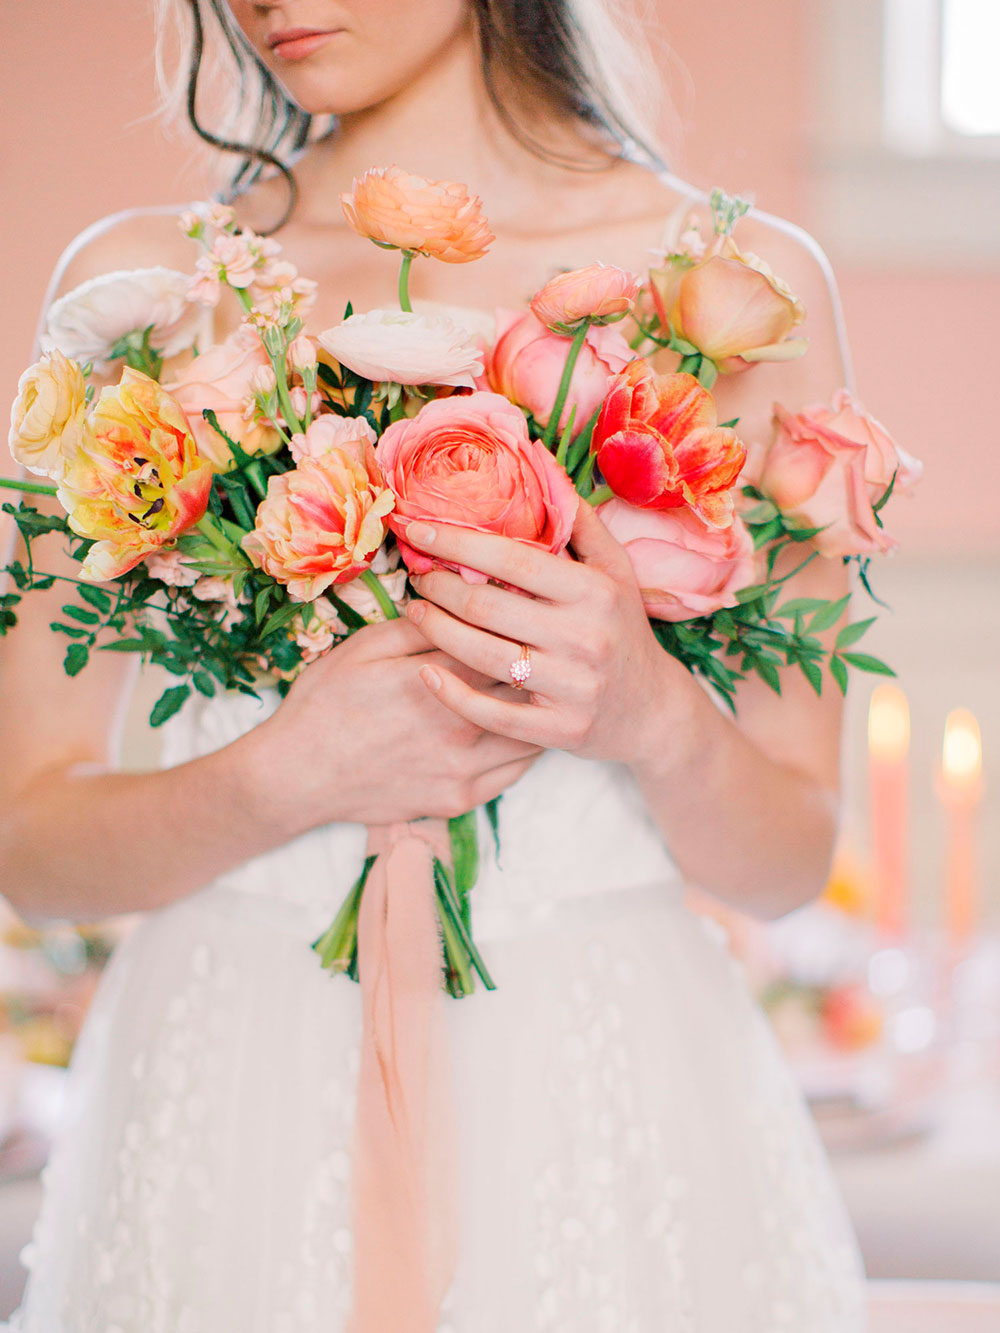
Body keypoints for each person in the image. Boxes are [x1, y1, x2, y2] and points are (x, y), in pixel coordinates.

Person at [1, 1, 868, 1328]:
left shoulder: (734, 290)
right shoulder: (145, 294)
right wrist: (279, 777)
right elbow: (27, 841)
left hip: (605, 1105)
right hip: (230, 1099)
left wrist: (648, 713)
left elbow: (790, 857)